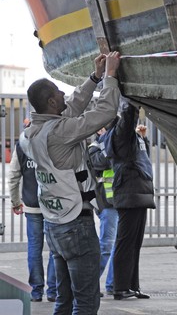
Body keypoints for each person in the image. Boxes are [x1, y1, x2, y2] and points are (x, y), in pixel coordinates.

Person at [19, 52, 121, 315]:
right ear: (52, 102)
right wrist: (110, 76)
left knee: (64, 301)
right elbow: (105, 111)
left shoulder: (31, 134)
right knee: (86, 302)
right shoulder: (60, 133)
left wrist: (94, 78)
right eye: (58, 92)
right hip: (76, 225)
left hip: (54, 223)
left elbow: (71, 107)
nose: (64, 94)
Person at [100, 97, 156, 300]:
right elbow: (127, 118)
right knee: (126, 242)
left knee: (134, 242)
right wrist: (129, 99)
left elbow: (141, 157)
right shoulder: (119, 135)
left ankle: (132, 285)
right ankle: (121, 287)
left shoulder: (128, 137)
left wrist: (143, 138)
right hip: (130, 192)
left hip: (138, 192)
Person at [8, 136, 56, 303]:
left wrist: (15, 201)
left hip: (31, 204)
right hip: (53, 205)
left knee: (34, 248)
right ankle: (53, 291)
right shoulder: (53, 140)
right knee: (55, 249)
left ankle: (36, 291)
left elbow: (13, 175)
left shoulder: (22, 144)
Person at [88, 127, 118, 297]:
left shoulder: (117, 144)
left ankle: (114, 284)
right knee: (106, 245)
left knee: (118, 246)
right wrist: (110, 143)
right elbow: (104, 162)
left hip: (122, 201)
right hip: (106, 203)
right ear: (99, 130)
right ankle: (90, 284)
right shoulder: (94, 147)